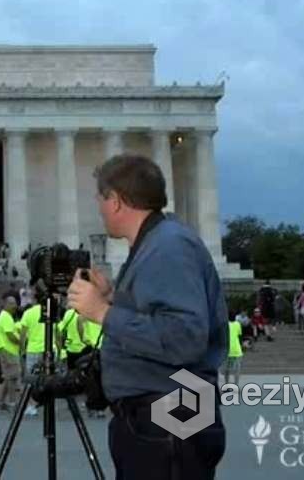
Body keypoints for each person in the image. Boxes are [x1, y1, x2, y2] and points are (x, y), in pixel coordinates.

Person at [67, 154, 227, 479]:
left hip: (169, 412)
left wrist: (103, 312)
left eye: (100, 198)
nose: (98, 208)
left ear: (115, 201)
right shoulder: (159, 242)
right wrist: (115, 298)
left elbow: (184, 337)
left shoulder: (169, 246)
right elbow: (162, 313)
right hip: (165, 409)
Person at [0, 296, 22, 410]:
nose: (14, 306)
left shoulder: (5, 316)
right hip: (9, 350)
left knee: (8, 378)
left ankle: (0, 402)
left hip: (7, 350)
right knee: (13, 378)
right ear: (5, 304)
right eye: (12, 304)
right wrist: (21, 342)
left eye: (15, 303)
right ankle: (12, 402)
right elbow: (10, 335)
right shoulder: (6, 317)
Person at [222, 311, 243, 385]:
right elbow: (240, 336)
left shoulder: (225, 325)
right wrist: (241, 346)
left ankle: (226, 384)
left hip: (227, 350)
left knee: (226, 370)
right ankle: (236, 384)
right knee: (236, 370)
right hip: (237, 350)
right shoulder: (238, 324)